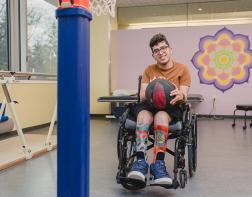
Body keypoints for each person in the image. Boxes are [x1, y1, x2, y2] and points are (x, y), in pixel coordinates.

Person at [127, 33, 191, 185]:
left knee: (161, 116)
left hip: (171, 107)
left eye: (163, 48)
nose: (161, 52)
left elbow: (184, 94)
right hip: (149, 104)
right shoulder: (149, 70)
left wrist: (179, 94)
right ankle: (141, 162)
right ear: (153, 55)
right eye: (156, 50)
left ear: (170, 49)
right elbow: (142, 95)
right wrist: (152, 88)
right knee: (142, 115)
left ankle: (158, 164)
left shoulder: (183, 69)